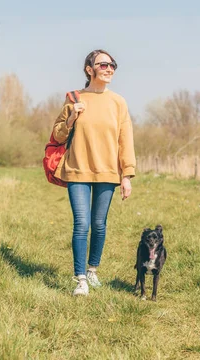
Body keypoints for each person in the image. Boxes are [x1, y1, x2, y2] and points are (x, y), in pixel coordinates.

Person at [52, 49, 136, 296]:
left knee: (99, 224)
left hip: (108, 172)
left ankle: (92, 271)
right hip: (77, 169)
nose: (109, 69)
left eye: (113, 65)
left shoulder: (118, 102)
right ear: (89, 70)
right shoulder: (74, 98)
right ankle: (80, 280)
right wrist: (71, 118)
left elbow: (125, 139)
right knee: (82, 223)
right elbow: (57, 135)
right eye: (103, 65)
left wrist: (127, 174)